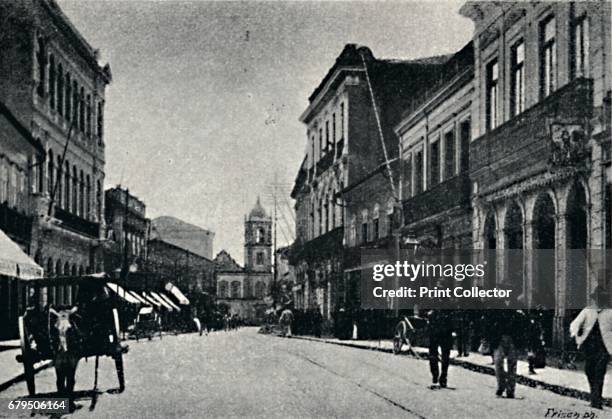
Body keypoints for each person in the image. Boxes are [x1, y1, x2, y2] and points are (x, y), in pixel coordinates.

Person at [570, 285, 612, 410]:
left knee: (600, 371)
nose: (600, 301)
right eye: (598, 298)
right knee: (589, 370)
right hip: (590, 346)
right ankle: (594, 394)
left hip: (605, 346)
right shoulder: (588, 311)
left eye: (603, 298)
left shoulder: (610, 312)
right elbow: (575, 324)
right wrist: (576, 333)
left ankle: (596, 399)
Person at [486, 291, 527, 398]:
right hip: (499, 339)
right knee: (498, 362)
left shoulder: (518, 305)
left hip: (513, 338)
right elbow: (489, 321)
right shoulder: (496, 304)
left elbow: (523, 323)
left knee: (512, 365)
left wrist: (522, 339)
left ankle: (511, 390)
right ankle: (501, 385)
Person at [428, 307, 454, 388]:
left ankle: (440, 376)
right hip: (439, 329)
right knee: (441, 355)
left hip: (441, 330)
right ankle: (439, 376)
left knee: (439, 354)